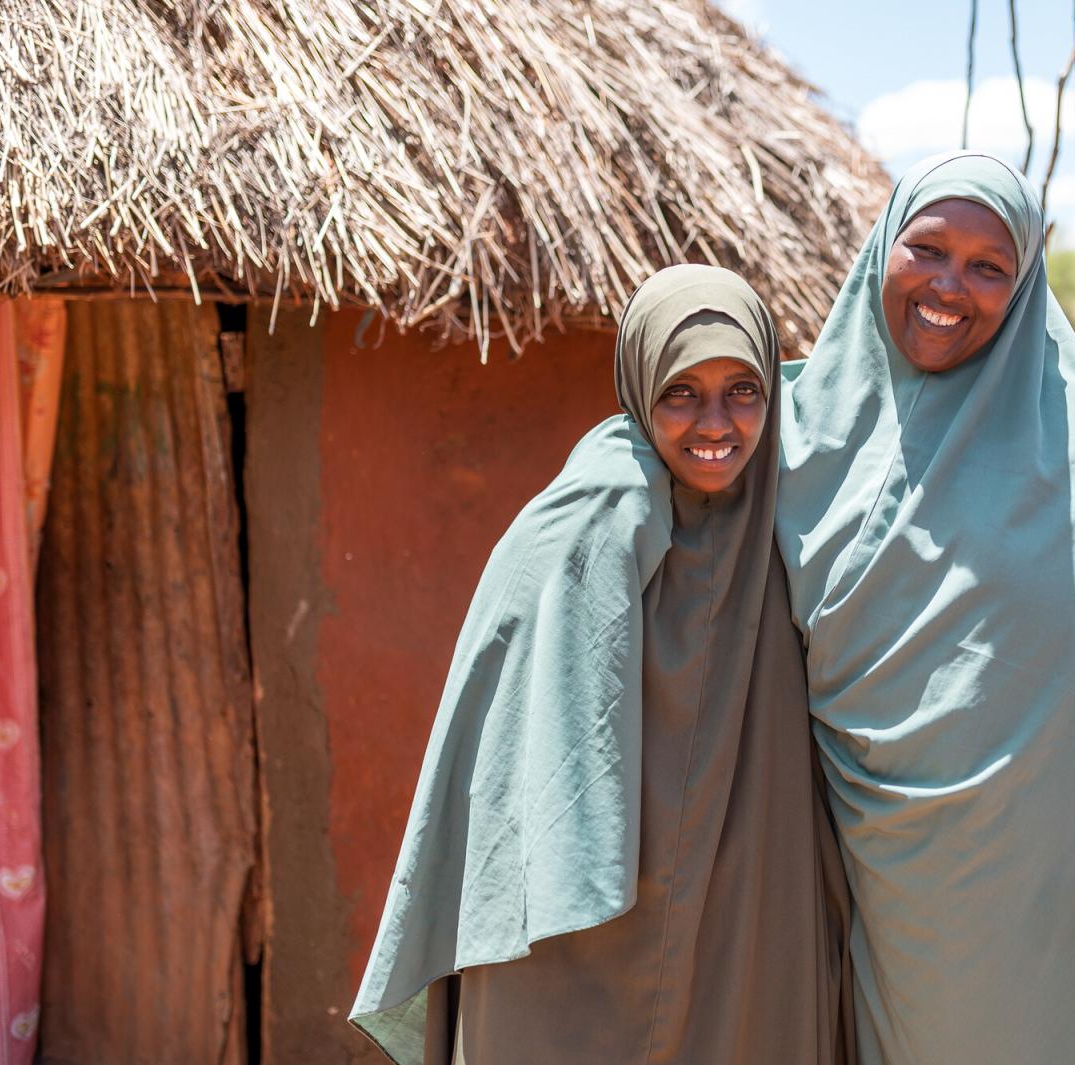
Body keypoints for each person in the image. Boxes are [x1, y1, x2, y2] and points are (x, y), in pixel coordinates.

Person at [775, 151, 1075, 1063]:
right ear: (885, 247)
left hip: (1051, 918)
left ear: (1026, 283)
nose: (949, 285)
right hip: (880, 904)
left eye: (989, 266)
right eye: (928, 248)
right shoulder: (795, 436)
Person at [350, 265, 851, 1065]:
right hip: (578, 943)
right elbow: (523, 726)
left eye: (743, 390)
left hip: (740, 917)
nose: (714, 422)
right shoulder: (596, 511)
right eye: (680, 392)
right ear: (638, 383)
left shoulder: (788, 517)